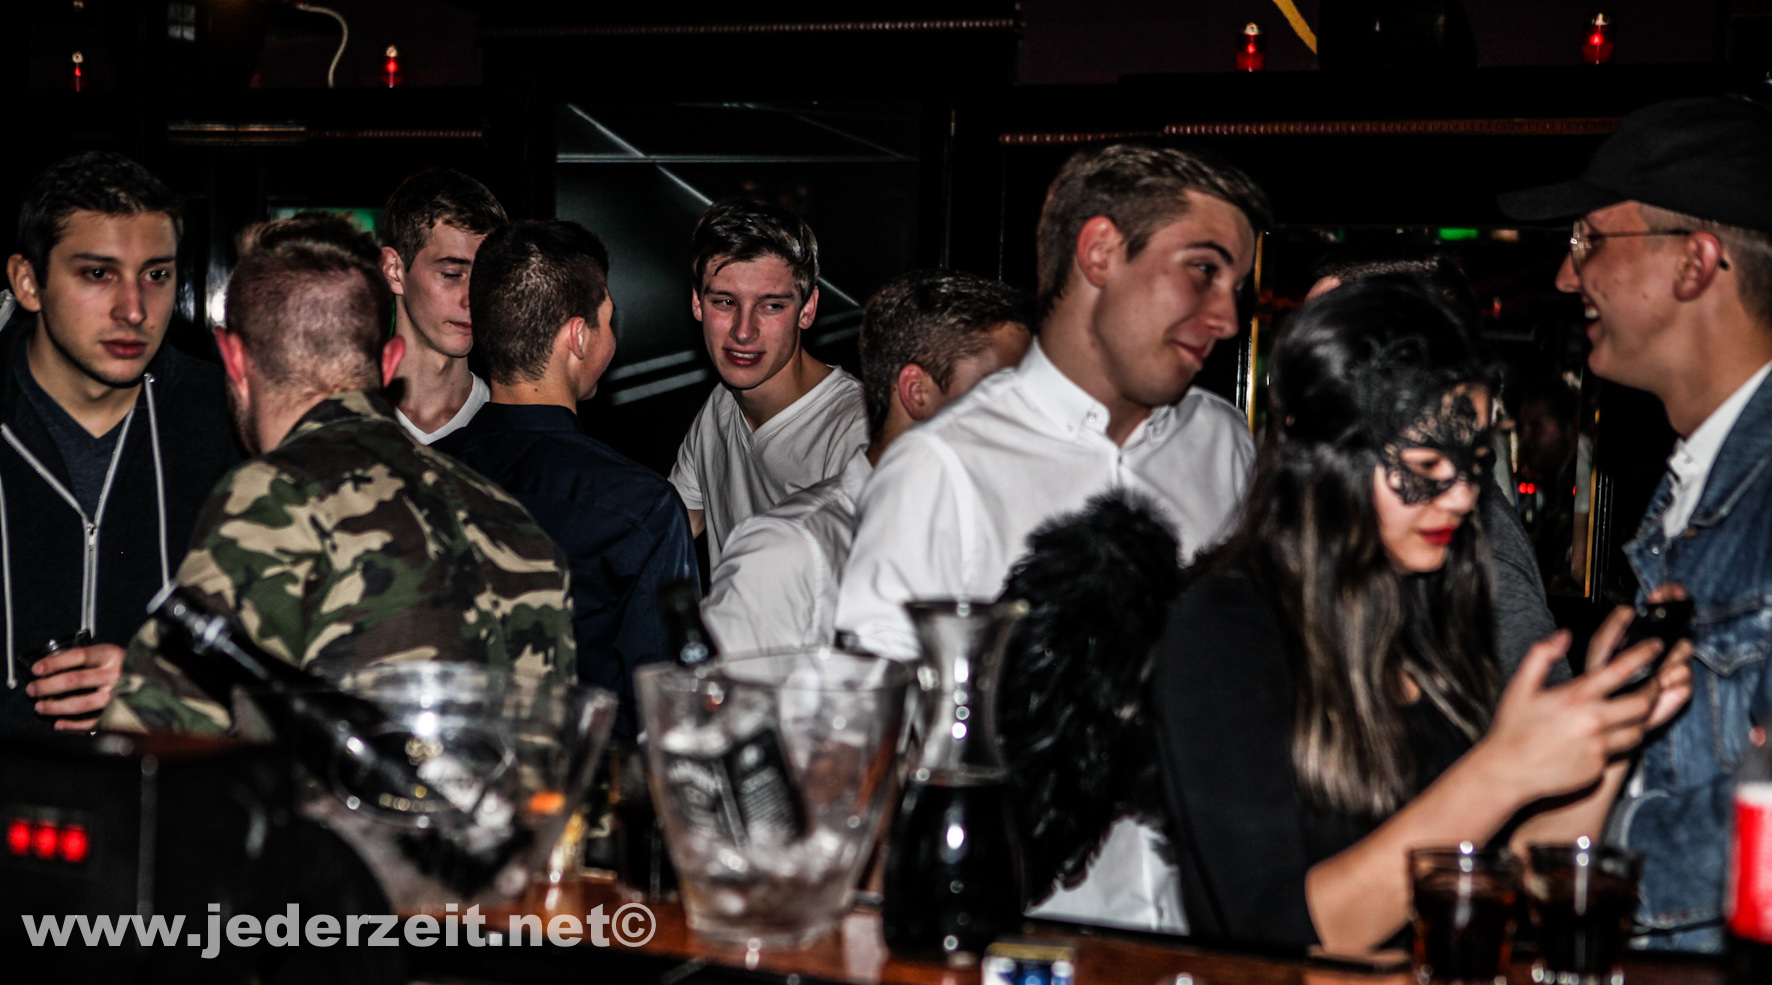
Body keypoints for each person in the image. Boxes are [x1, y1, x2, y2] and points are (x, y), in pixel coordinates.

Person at [1152, 277, 1693, 953]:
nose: (1464, 495)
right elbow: (1274, 930)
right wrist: (1500, 770)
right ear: (1324, 457)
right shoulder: (1224, 629)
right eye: (1428, 463)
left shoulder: (1434, 612)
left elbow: (1506, 874)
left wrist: (1612, 726)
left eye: (1473, 463)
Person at [836, 143, 1267, 932]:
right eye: (1203, 271)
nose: (1227, 317)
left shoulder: (1225, 443)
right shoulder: (945, 467)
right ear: (1100, 251)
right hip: (1024, 938)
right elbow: (870, 754)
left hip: (1208, 936)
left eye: (1235, 286)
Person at [102, 212, 575, 735]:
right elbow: (549, 758)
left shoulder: (277, 495)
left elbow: (151, 739)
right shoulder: (513, 521)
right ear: (390, 363)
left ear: (233, 360)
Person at [1499, 94, 1772, 952]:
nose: (1565, 275)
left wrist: (1586, 858)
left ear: (1695, 263)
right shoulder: (1699, 482)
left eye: (1589, 240)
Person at [0, 152, 238, 735]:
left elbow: (293, 647)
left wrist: (164, 685)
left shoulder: (230, 421)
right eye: (98, 274)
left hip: (172, 783)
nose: (134, 310)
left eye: (156, 275)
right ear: (28, 282)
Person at [436, 221, 696, 743]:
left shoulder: (420, 474)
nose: (611, 336)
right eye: (607, 320)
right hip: (584, 779)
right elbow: (666, 711)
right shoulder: (641, 507)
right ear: (578, 337)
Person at [700, 269, 1031, 654]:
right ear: (916, 392)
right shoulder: (789, 554)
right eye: (1001, 396)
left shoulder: (1015, 539)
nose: (1027, 419)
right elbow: (715, 695)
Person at [1305, 247, 1561, 680]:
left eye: (1330, 345)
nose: (1304, 367)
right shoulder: (1335, 513)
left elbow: (1543, 708)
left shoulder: (1474, 554)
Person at [669, 200, 867, 567]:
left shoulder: (855, 433)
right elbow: (665, 528)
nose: (744, 331)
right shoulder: (721, 406)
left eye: (771, 305)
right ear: (697, 303)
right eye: (725, 302)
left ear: (807, 309)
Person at [380, 168, 506, 444]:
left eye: (485, 277)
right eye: (452, 274)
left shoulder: (509, 430)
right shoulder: (338, 424)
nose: (472, 298)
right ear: (394, 270)